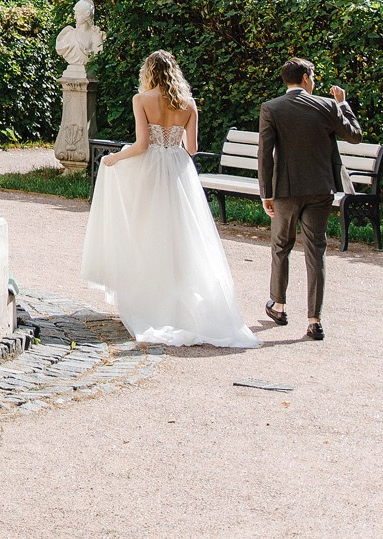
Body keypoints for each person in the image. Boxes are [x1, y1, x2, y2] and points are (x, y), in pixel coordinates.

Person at [80, 50, 257, 348]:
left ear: (149, 72)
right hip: (179, 172)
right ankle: (181, 302)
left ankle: (151, 300)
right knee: (183, 237)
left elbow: (141, 144)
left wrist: (114, 158)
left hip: (150, 170)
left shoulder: (142, 100)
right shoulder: (189, 105)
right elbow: (192, 148)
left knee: (147, 231)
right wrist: (172, 148)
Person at [257, 56, 365, 342]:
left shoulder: (271, 108)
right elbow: (354, 135)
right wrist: (343, 103)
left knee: (281, 245)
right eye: (313, 75)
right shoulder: (327, 105)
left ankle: (278, 305)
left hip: (285, 190)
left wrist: (266, 193)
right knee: (316, 250)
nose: (314, 80)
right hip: (320, 188)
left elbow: (265, 154)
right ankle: (314, 321)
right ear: (305, 78)